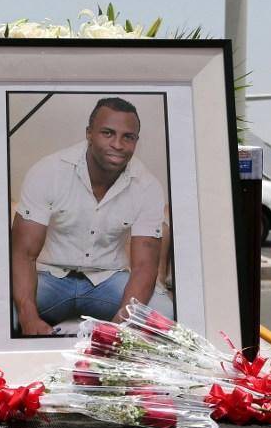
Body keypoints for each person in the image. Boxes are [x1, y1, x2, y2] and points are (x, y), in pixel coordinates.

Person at [11, 97, 174, 336]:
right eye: (107, 133)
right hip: (49, 278)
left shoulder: (147, 186)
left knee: (162, 315)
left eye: (128, 137)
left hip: (109, 281)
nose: (118, 144)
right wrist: (28, 317)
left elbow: (143, 266)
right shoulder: (48, 172)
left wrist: (122, 325)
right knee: (0, 313)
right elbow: (23, 254)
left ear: (136, 141)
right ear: (89, 133)